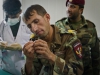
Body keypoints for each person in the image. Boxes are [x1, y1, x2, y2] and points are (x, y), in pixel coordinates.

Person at [21, 4, 83, 75]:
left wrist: (50, 56)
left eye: (36, 21)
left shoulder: (69, 39)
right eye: (29, 26)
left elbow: (77, 72)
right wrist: (29, 60)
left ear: (47, 17)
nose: (34, 29)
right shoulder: (34, 40)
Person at [55, 0, 100, 75]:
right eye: (68, 5)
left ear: (81, 10)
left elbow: (96, 54)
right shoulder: (59, 25)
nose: (68, 9)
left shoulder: (90, 27)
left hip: (86, 71)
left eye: (73, 6)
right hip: (66, 70)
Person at [0, 0, 32, 75]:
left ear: (20, 11)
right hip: (7, 67)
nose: (11, 17)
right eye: (8, 15)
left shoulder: (28, 24)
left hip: (24, 66)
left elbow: (35, 42)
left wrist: (22, 47)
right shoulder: (2, 25)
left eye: (14, 15)